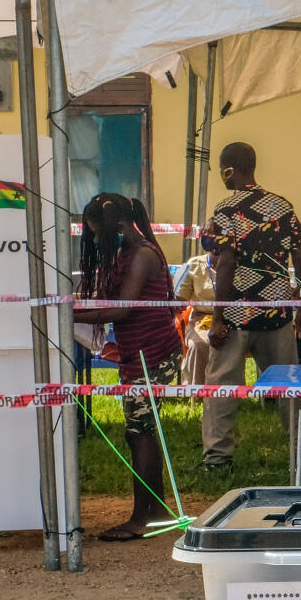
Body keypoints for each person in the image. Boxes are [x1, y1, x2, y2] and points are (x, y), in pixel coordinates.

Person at [72, 193, 183, 542]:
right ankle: (158, 509)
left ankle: (141, 518)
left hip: (153, 354)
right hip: (141, 353)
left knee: (140, 433)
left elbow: (123, 310)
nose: (96, 243)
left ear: (118, 227)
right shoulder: (131, 252)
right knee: (142, 431)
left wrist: (69, 315)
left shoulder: (143, 255)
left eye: (98, 236)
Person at [201, 141, 301, 470]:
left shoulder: (225, 211)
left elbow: (226, 264)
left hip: (236, 313)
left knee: (222, 387)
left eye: (221, 169)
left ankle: (218, 459)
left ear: (229, 170)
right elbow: (299, 260)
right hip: (278, 312)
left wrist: (218, 317)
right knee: (290, 387)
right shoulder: (283, 207)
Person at [173, 243, 217, 384]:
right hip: (201, 319)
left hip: (233, 318)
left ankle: (228, 394)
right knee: (200, 345)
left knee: (232, 344)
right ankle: (197, 393)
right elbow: (180, 301)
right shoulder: (195, 264)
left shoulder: (238, 265)